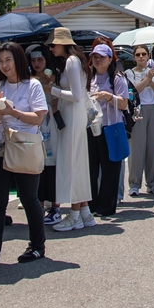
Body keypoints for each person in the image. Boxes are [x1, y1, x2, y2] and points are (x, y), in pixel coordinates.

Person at [0, 41, 49, 272]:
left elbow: (38, 118)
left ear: (18, 59)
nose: (4, 65)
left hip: (25, 145)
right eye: (0, 61)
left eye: (8, 60)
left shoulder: (33, 85)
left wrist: (12, 112)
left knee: (29, 197)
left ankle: (37, 245)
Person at [44, 28, 94, 231]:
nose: (51, 48)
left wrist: (52, 89)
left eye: (53, 44)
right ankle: (84, 212)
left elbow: (75, 95)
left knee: (72, 165)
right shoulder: (74, 61)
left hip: (73, 117)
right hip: (74, 116)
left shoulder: (72, 61)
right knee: (77, 164)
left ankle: (75, 215)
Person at [87, 44, 128, 216]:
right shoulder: (90, 77)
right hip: (92, 126)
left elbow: (124, 103)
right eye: (95, 56)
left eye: (102, 57)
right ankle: (91, 205)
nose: (97, 60)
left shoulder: (117, 78)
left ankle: (107, 206)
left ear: (110, 59)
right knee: (91, 168)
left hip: (110, 127)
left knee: (110, 168)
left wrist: (109, 97)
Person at [25, 44, 60, 224]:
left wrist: (52, 84)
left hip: (52, 125)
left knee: (53, 165)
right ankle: (38, 204)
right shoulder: (28, 81)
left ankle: (55, 206)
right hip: (36, 127)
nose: (37, 63)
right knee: (37, 165)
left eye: (40, 59)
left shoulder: (53, 79)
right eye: (33, 60)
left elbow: (58, 101)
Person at [125, 44, 154, 196]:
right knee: (137, 148)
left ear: (148, 56)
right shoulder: (129, 73)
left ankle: (153, 182)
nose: (141, 57)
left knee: (153, 147)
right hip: (138, 110)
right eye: (138, 54)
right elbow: (133, 92)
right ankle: (134, 184)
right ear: (134, 57)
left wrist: (152, 81)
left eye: (144, 54)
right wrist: (146, 80)